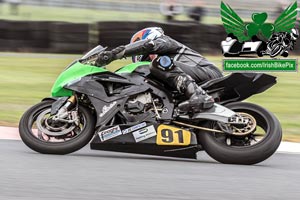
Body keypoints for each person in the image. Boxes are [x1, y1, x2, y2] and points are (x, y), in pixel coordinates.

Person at [95, 27, 223, 112]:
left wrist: (115, 54)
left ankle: (198, 96)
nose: (148, 59)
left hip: (208, 72)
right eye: (145, 58)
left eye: (147, 57)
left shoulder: (165, 41)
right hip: (194, 78)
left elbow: (149, 46)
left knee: (159, 63)